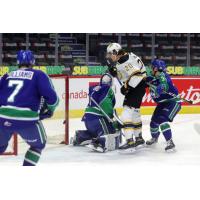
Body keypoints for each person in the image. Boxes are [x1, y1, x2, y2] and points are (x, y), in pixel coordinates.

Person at [0, 50, 59, 165]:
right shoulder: (39, 74)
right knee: (38, 146)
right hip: (27, 120)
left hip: (2, 119)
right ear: (33, 62)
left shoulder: (7, 75)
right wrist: (50, 110)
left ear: (17, 62)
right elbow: (53, 98)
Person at [106, 43, 147, 152]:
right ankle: (139, 139)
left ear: (115, 52)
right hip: (140, 86)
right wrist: (116, 72)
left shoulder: (123, 60)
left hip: (136, 87)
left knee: (126, 114)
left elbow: (136, 74)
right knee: (135, 113)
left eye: (110, 54)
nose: (110, 56)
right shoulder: (128, 56)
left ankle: (130, 142)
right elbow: (131, 73)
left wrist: (126, 86)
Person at [73, 73, 121, 153]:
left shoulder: (95, 88)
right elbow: (105, 103)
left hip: (87, 119)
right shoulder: (107, 89)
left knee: (95, 132)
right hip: (98, 119)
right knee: (108, 131)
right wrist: (110, 116)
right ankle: (99, 143)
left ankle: (80, 137)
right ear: (111, 82)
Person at [145, 59, 181, 151]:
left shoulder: (163, 76)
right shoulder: (151, 78)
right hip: (162, 103)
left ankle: (170, 142)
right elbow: (143, 80)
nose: (151, 69)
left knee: (162, 119)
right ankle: (154, 138)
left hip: (172, 102)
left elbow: (165, 83)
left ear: (156, 68)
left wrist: (162, 87)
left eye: (152, 67)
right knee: (153, 122)